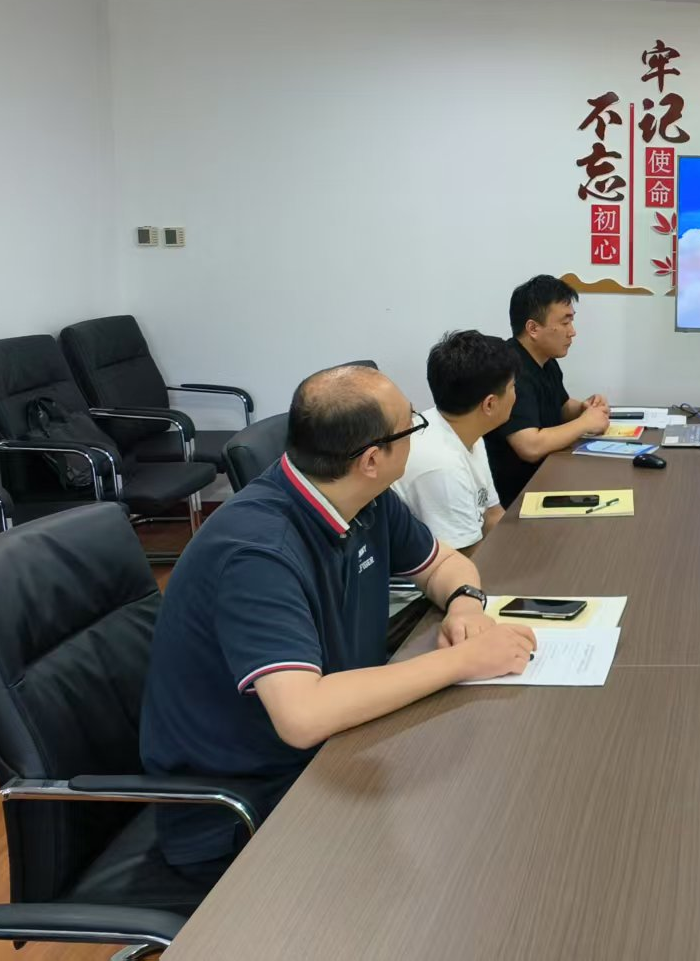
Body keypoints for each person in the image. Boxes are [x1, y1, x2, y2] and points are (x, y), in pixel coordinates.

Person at [140, 364, 539, 884]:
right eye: (411, 426)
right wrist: (462, 660)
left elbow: (444, 564)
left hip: (339, 749)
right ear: (372, 459)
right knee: (474, 853)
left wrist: (465, 604)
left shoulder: (364, 499)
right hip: (249, 808)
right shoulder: (257, 553)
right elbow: (302, 716)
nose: (419, 433)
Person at [484, 275, 610, 503]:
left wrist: (584, 407)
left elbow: (560, 406)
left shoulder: (546, 360)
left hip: (550, 475)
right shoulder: (509, 371)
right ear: (533, 328)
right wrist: (585, 423)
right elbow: (529, 446)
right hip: (519, 497)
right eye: (565, 323)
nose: (572, 331)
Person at [392, 329, 516, 549]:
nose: (516, 395)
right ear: (489, 404)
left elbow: (492, 514)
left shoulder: (467, 430)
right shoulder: (441, 465)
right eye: (513, 387)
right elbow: (463, 555)